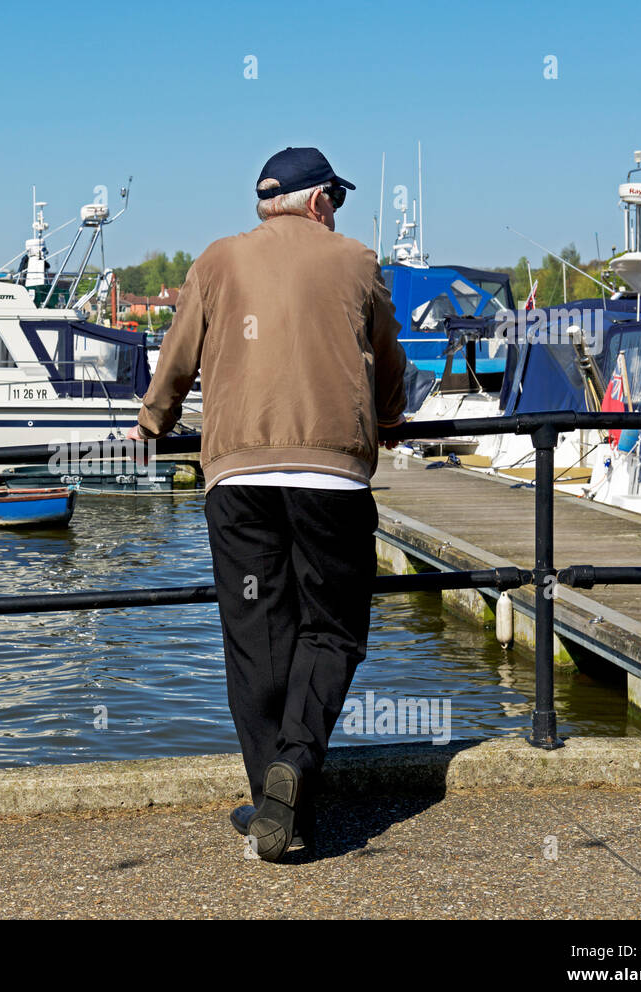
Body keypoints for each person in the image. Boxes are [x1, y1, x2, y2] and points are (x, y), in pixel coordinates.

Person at [127, 146, 406, 861]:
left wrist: (152, 422)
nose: (337, 212)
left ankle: (274, 806)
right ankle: (295, 771)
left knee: (256, 638)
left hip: (238, 474)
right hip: (331, 475)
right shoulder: (355, 260)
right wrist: (392, 417)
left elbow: (177, 358)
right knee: (333, 628)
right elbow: (388, 357)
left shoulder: (217, 261)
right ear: (319, 203)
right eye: (335, 200)